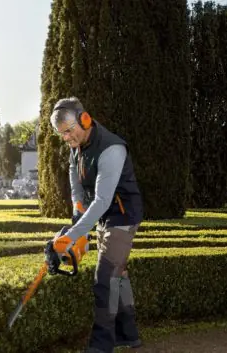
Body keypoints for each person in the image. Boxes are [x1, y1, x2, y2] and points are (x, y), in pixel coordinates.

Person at [49, 97, 144, 352]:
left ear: (85, 119)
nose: (67, 138)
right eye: (62, 134)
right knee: (119, 272)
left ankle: (102, 345)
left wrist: (70, 236)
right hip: (104, 214)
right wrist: (77, 207)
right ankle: (129, 333)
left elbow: (102, 201)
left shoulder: (112, 149)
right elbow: (74, 177)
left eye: (69, 131)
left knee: (105, 277)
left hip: (122, 216)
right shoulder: (76, 144)